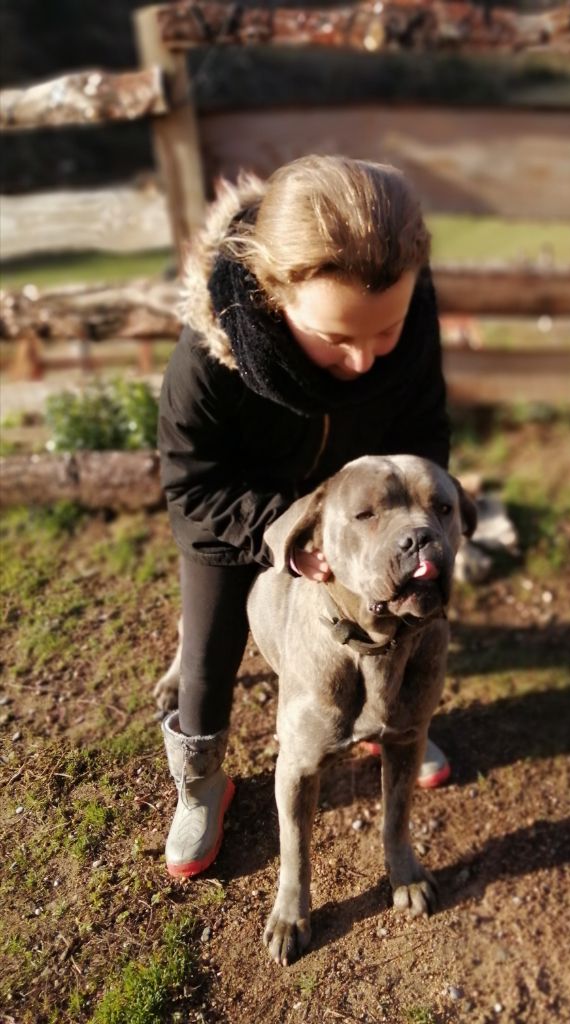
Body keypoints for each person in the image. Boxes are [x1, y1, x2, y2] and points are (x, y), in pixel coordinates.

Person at [158, 154, 452, 879]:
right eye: (336, 338)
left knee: (399, 613)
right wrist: (282, 533)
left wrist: (397, 523)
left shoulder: (411, 313)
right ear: (272, 296)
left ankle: (394, 720)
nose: (364, 362)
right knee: (208, 656)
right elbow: (193, 489)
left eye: (384, 332)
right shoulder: (209, 356)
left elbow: (424, 434)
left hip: (357, 502)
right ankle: (202, 782)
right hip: (238, 506)